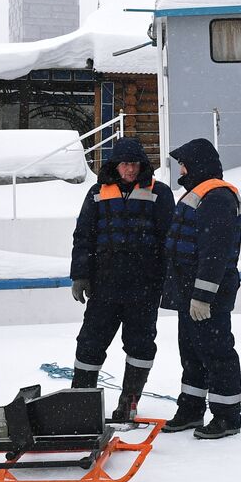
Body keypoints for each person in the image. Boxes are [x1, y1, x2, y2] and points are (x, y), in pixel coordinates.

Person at [69, 137, 175, 421]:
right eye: (124, 164)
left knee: (140, 344)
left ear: (142, 165)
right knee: (90, 342)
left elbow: (169, 241)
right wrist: (80, 275)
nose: (129, 169)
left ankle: (129, 399)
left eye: (134, 164)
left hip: (144, 288)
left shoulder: (160, 193)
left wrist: (166, 281)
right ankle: (81, 397)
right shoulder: (96, 193)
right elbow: (83, 237)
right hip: (104, 287)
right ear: (115, 165)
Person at [161, 138, 241, 440]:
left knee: (216, 353)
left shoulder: (218, 197)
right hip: (188, 293)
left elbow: (215, 252)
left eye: (183, 163)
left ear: (195, 164)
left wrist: (203, 296)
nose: (180, 169)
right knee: (192, 352)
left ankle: (226, 416)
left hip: (207, 295)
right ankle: (191, 409)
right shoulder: (197, 194)